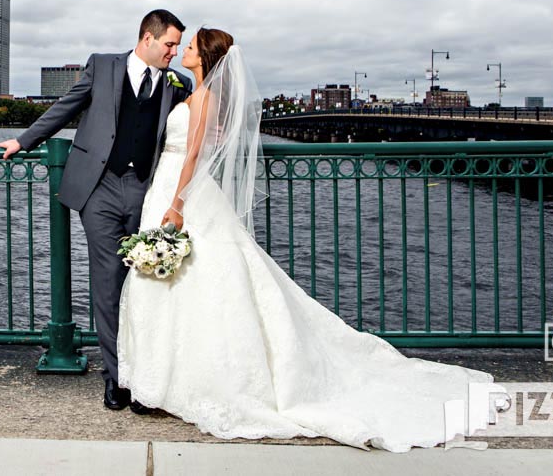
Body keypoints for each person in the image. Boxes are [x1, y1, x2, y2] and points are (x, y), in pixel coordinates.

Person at [117, 27, 497, 452]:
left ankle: (176, 381)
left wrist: (178, 204)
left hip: (180, 193)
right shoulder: (198, 93)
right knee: (185, 281)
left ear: (204, 56)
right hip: (173, 188)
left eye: (188, 46)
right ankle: (162, 381)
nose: (183, 50)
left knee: (192, 281)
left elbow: (191, 155)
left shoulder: (203, 97)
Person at [0, 10, 193, 412]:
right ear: (147, 39)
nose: (174, 52)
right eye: (170, 44)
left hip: (146, 191)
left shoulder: (179, 83)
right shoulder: (103, 65)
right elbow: (65, 108)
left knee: (146, 284)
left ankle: (147, 376)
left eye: (177, 45)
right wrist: (24, 140)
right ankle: (117, 379)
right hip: (98, 190)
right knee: (108, 281)